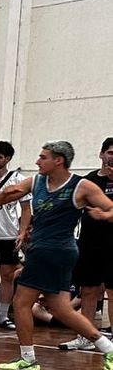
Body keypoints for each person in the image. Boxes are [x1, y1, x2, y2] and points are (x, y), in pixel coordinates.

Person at [0, 141, 113, 370]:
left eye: (43, 157)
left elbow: (111, 208)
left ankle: (28, 359)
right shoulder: (36, 182)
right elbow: (9, 194)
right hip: (50, 252)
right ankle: (109, 349)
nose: (37, 161)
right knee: (61, 308)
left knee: (21, 302)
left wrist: (104, 214)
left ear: (59, 160)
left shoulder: (81, 186)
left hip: (53, 251)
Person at [66, 137, 113, 348]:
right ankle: (86, 336)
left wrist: (105, 216)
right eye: (111, 152)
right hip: (90, 243)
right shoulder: (88, 181)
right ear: (101, 154)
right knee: (88, 290)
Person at [0, 141, 31, 331]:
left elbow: (26, 209)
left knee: (7, 276)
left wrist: (22, 231)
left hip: (8, 234)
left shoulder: (19, 180)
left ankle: (2, 315)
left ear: (8, 159)